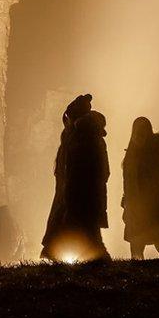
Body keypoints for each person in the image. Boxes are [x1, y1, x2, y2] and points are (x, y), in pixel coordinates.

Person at [41, 93, 93, 261]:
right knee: (67, 220)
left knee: (73, 221)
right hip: (67, 188)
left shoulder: (79, 137)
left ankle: (77, 252)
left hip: (73, 188)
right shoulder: (70, 136)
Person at [57, 110, 110, 262]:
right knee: (89, 226)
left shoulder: (75, 140)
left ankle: (95, 257)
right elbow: (104, 170)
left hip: (78, 190)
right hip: (91, 191)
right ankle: (96, 257)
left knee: (84, 225)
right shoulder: (95, 141)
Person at [122, 117, 159, 260]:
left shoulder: (157, 149)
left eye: (142, 132)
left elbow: (152, 175)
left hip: (155, 203)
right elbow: (129, 180)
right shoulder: (134, 152)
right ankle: (136, 276)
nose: (138, 136)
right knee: (137, 247)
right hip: (136, 205)